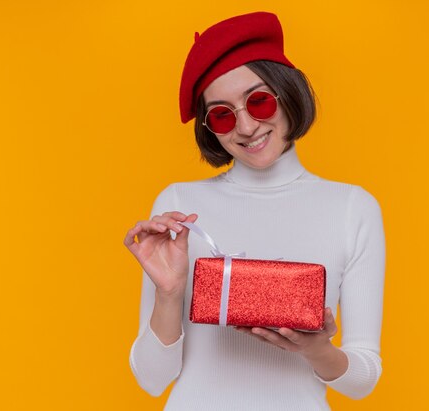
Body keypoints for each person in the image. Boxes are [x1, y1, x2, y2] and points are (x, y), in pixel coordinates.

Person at [124, 11, 386, 410]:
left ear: (288, 93)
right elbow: (151, 380)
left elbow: (363, 380)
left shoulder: (353, 208)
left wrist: (316, 349)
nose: (246, 127)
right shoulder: (178, 206)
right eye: (223, 115)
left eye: (259, 101)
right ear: (209, 127)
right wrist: (169, 293)